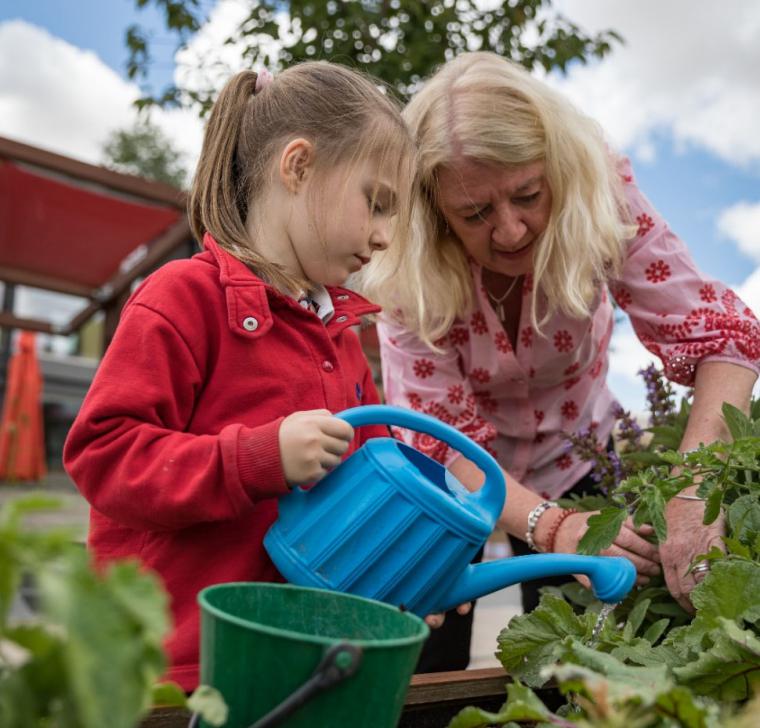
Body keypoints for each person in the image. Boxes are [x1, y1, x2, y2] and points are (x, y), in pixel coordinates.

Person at [358, 51, 760, 671]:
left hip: (582, 462)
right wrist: (546, 526)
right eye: (475, 214)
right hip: (449, 486)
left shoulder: (602, 192)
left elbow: (724, 339)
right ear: (435, 214)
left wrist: (691, 485)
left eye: (527, 195)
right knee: (418, 664)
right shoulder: (406, 269)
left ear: (556, 171)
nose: (513, 231)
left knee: (585, 665)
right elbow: (442, 441)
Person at [63, 61, 418, 691]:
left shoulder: (343, 340)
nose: (386, 236)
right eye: (378, 202)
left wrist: (413, 568)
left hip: (299, 661)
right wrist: (256, 459)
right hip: (174, 667)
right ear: (299, 165)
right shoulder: (181, 298)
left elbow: (365, 500)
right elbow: (102, 454)